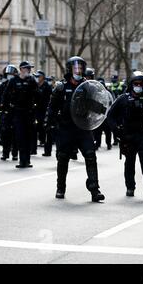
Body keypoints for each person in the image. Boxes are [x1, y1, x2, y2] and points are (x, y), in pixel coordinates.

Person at [46, 56, 105, 202]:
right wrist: (50, 124)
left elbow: (93, 103)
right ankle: (60, 188)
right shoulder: (60, 87)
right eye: (75, 68)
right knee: (63, 158)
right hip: (66, 128)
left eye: (80, 68)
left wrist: (103, 109)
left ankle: (94, 189)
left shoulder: (88, 86)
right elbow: (52, 107)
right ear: (69, 70)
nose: (78, 70)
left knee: (91, 156)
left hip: (83, 128)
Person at [107, 71, 143, 199]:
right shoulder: (123, 99)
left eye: (141, 84)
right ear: (131, 84)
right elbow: (110, 116)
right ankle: (130, 187)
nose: (138, 86)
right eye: (136, 84)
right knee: (129, 163)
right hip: (128, 137)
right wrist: (117, 132)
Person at [1, 61, 39, 168]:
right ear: (22, 69)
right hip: (18, 113)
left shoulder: (31, 80)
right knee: (20, 136)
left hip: (29, 113)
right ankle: (22, 161)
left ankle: (27, 160)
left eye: (30, 69)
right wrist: (5, 109)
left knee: (28, 136)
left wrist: (35, 85)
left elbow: (38, 96)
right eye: (27, 68)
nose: (29, 70)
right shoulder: (13, 81)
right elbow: (6, 95)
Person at [0, 65, 18, 161]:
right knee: (4, 133)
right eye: (8, 74)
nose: (9, 76)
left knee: (15, 134)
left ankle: (15, 153)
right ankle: (5, 153)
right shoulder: (2, 86)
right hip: (5, 113)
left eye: (11, 74)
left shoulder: (17, 85)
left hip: (15, 113)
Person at [33, 70, 52, 156]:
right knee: (33, 129)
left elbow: (49, 99)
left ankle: (47, 150)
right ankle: (33, 149)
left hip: (45, 111)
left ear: (42, 78)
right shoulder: (34, 85)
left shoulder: (47, 86)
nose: (37, 78)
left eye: (38, 76)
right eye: (36, 76)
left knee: (45, 130)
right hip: (35, 110)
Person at [93, 77, 114, 151]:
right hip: (99, 116)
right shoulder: (96, 93)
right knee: (98, 132)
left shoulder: (107, 93)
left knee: (107, 132)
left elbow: (111, 103)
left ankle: (108, 144)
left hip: (105, 116)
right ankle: (98, 144)